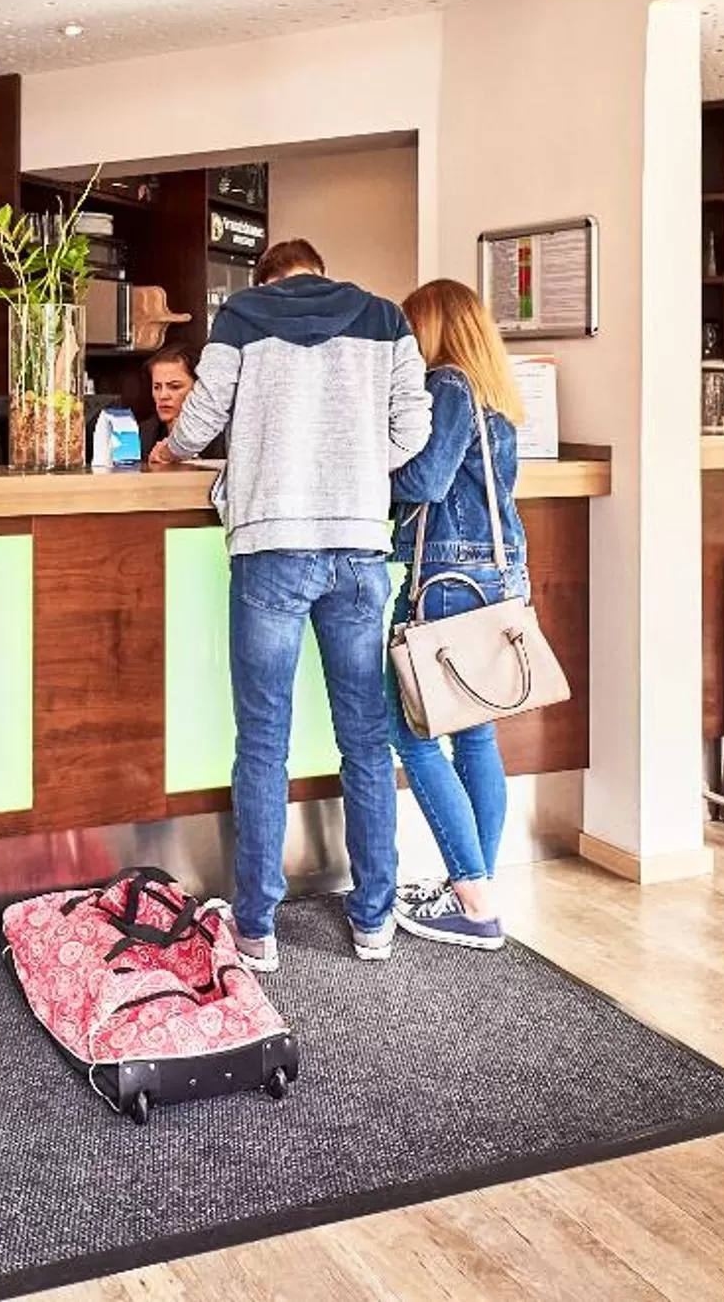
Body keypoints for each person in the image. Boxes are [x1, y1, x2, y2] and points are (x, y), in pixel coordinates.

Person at [150, 237, 430, 970]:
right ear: (320, 269)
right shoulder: (385, 318)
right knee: (365, 740)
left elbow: (202, 416)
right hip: (361, 546)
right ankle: (373, 919)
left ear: (267, 277)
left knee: (263, 743)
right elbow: (414, 431)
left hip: (270, 545)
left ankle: (257, 928)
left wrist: (172, 450)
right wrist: (353, 463)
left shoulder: (242, 314)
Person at [384, 277, 532, 952]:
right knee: (474, 737)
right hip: (495, 581)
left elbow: (425, 482)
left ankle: (470, 897)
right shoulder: (493, 394)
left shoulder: (445, 385)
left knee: (410, 730)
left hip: (446, 581)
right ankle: (473, 890)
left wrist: (364, 467)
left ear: (435, 328)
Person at [137, 342, 197, 460]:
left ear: (198, 389)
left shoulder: (220, 436)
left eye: (175, 387)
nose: (163, 396)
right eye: (157, 387)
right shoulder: (142, 434)